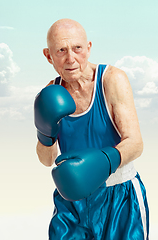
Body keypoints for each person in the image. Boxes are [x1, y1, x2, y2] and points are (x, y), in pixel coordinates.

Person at [34, 18, 149, 239]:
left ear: (88, 47)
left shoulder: (111, 79)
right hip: (71, 203)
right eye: (61, 50)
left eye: (77, 48)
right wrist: (44, 134)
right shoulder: (51, 92)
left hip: (120, 198)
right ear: (48, 55)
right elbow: (47, 160)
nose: (71, 58)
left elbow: (135, 144)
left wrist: (104, 161)